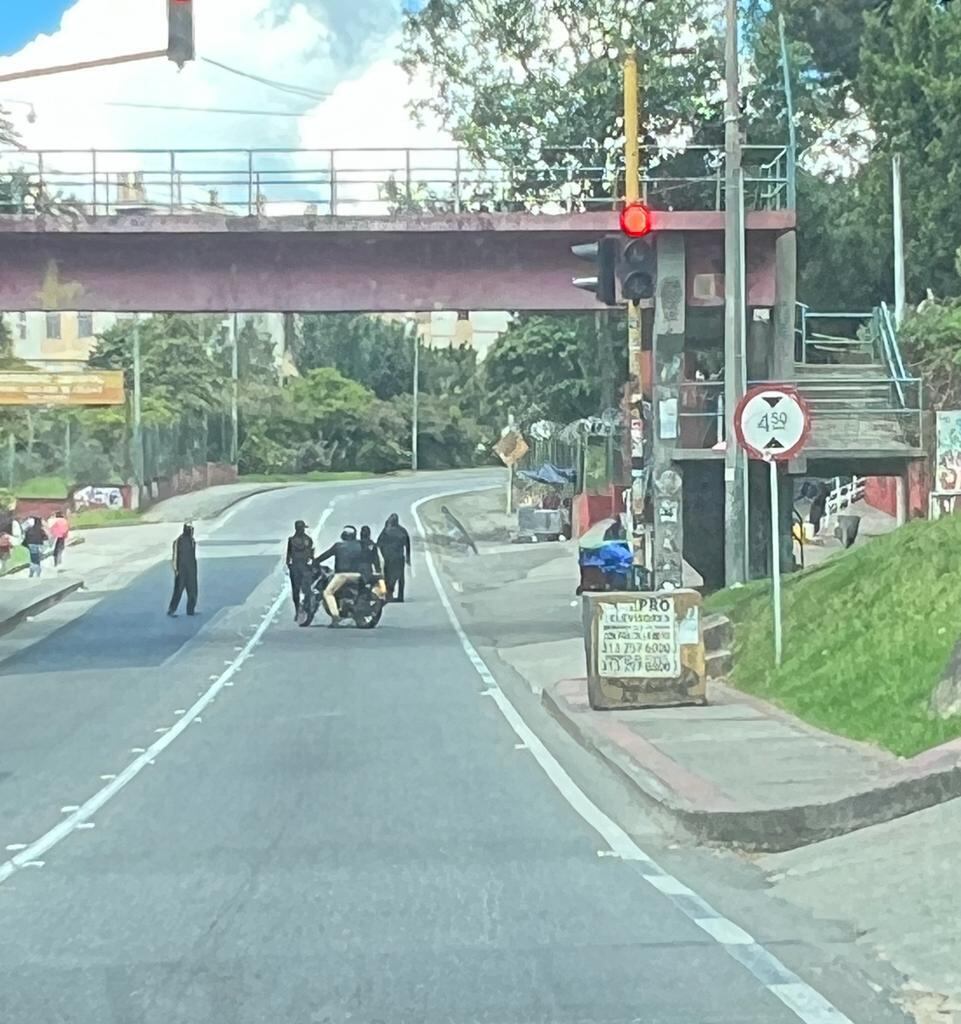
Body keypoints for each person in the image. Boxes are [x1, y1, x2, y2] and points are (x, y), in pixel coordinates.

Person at [315, 526, 363, 625]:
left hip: (342, 575)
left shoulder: (338, 546)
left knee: (328, 593)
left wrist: (315, 561)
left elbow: (325, 555)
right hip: (358, 576)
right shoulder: (360, 546)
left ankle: (335, 617)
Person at [377, 512, 411, 602]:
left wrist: (382, 554)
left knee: (388, 577)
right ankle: (400, 596)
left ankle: (388, 595)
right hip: (399, 557)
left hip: (388, 558)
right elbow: (407, 544)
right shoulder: (403, 530)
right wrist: (408, 557)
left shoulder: (386, 531)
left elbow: (378, 544)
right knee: (400, 577)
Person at [285, 519, 315, 621]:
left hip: (295, 568)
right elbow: (311, 555)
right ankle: (308, 610)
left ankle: (298, 610)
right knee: (307, 589)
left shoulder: (291, 540)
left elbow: (288, 557)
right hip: (305, 568)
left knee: (296, 590)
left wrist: (290, 566)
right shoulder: (308, 540)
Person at [167, 522, 199, 617]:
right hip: (181, 570)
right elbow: (175, 556)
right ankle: (171, 610)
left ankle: (191, 610)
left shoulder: (192, 541)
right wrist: (176, 569)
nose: (191, 531)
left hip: (191, 570)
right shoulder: (178, 541)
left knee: (193, 590)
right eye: (190, 529)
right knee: (178, 591)